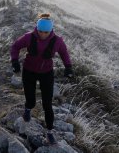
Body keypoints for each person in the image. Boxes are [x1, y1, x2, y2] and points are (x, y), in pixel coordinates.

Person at [10, 13, 73, 145]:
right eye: (40, 31)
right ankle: (28, 109)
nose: (43, 34)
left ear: (50, 30)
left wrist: (68, 67)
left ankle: (49, 131)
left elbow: (64, 53)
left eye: (46, 32)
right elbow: (15, 46)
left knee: (47, 105)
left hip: (46, 73)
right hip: (29, 72)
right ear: (36, 28)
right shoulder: (28, 37)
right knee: (31, 101)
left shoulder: (57, 41)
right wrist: (15, 61)